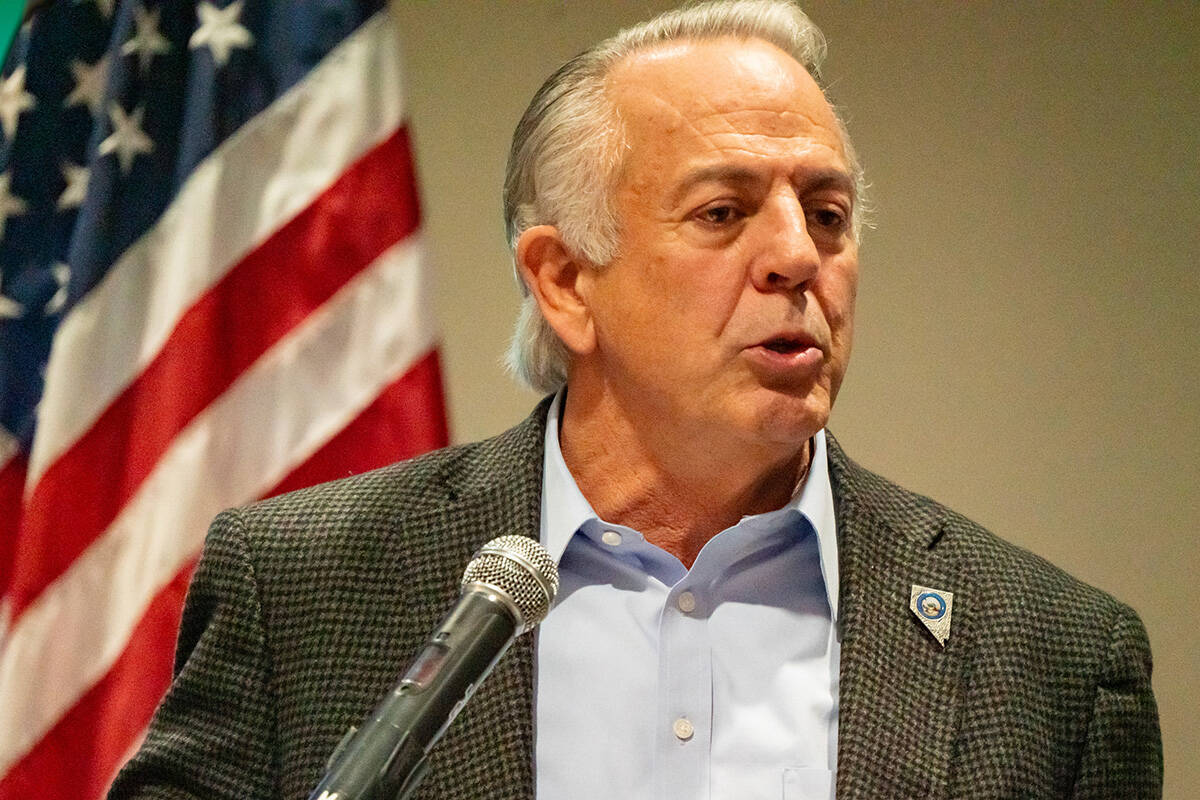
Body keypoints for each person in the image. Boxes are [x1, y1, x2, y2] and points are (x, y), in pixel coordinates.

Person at [108, 1, 1162, 798]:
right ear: (565, 280)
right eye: (723, 211)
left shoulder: (1053, 655)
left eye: (828, 213)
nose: (799, 255)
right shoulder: (305, 586)